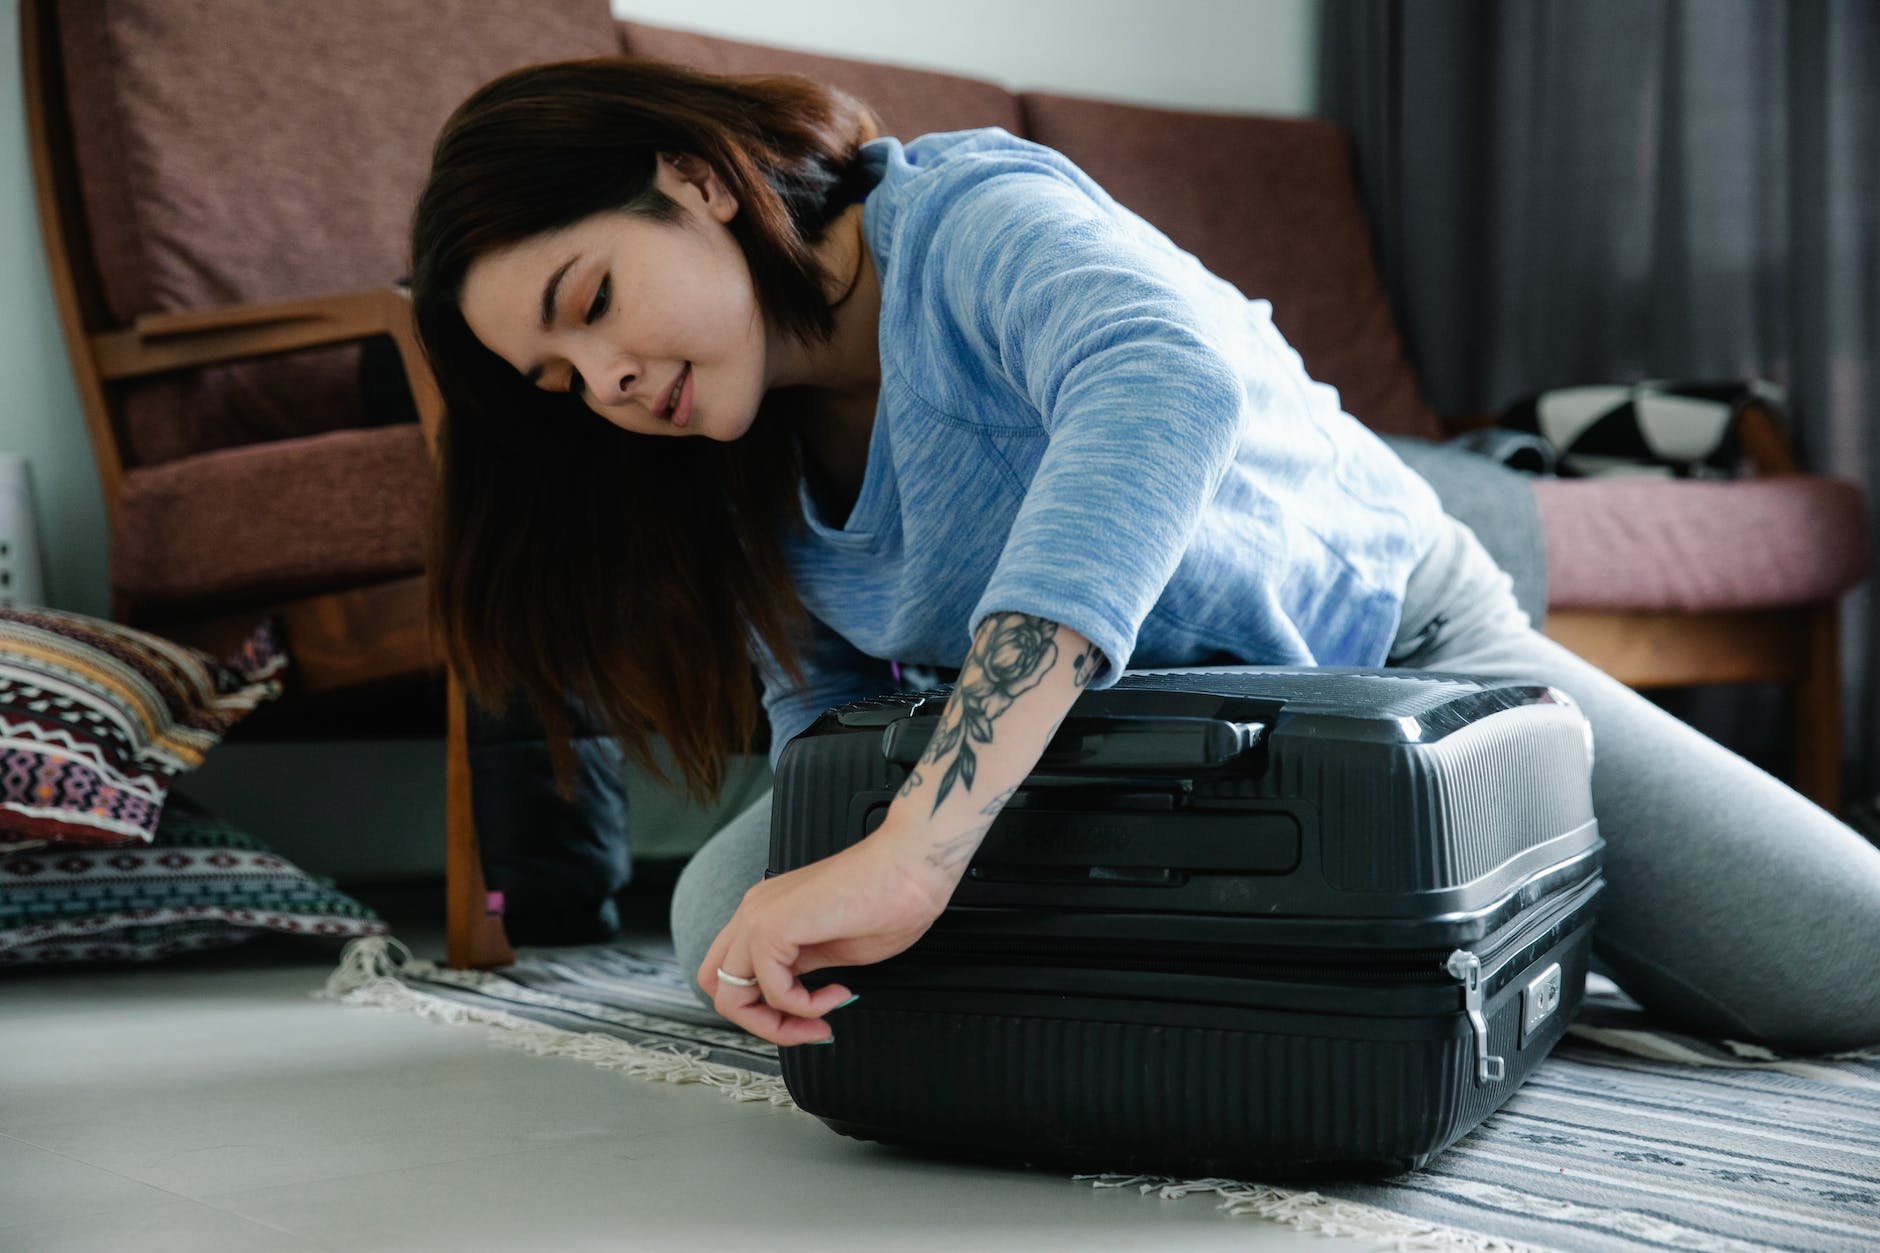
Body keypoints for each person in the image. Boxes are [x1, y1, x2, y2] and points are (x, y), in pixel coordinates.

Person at [409, 57, 1880, 1056]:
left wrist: (920, 847)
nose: (603, 380)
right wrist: (842, 850)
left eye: (591, 300)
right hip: (1102, 742)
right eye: (558, 378)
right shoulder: (722, 463)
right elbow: (828, 722)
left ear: (699, 181)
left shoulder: (970, 215)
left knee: (1844, 965)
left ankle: (1482, 912)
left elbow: (1163, 386)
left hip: (1393, 658)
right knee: (710, 918)